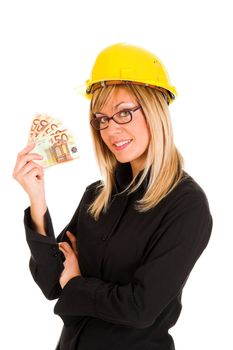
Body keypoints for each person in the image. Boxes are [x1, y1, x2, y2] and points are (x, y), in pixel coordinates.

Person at [13, 43, 213, 350]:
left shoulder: (186, 205)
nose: (110, 130)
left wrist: (77, 284)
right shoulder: (97, 195)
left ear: (156, 110)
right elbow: (52, 281)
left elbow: (139, 308)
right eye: (102, 118)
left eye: (123, 113)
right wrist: (37, 200)